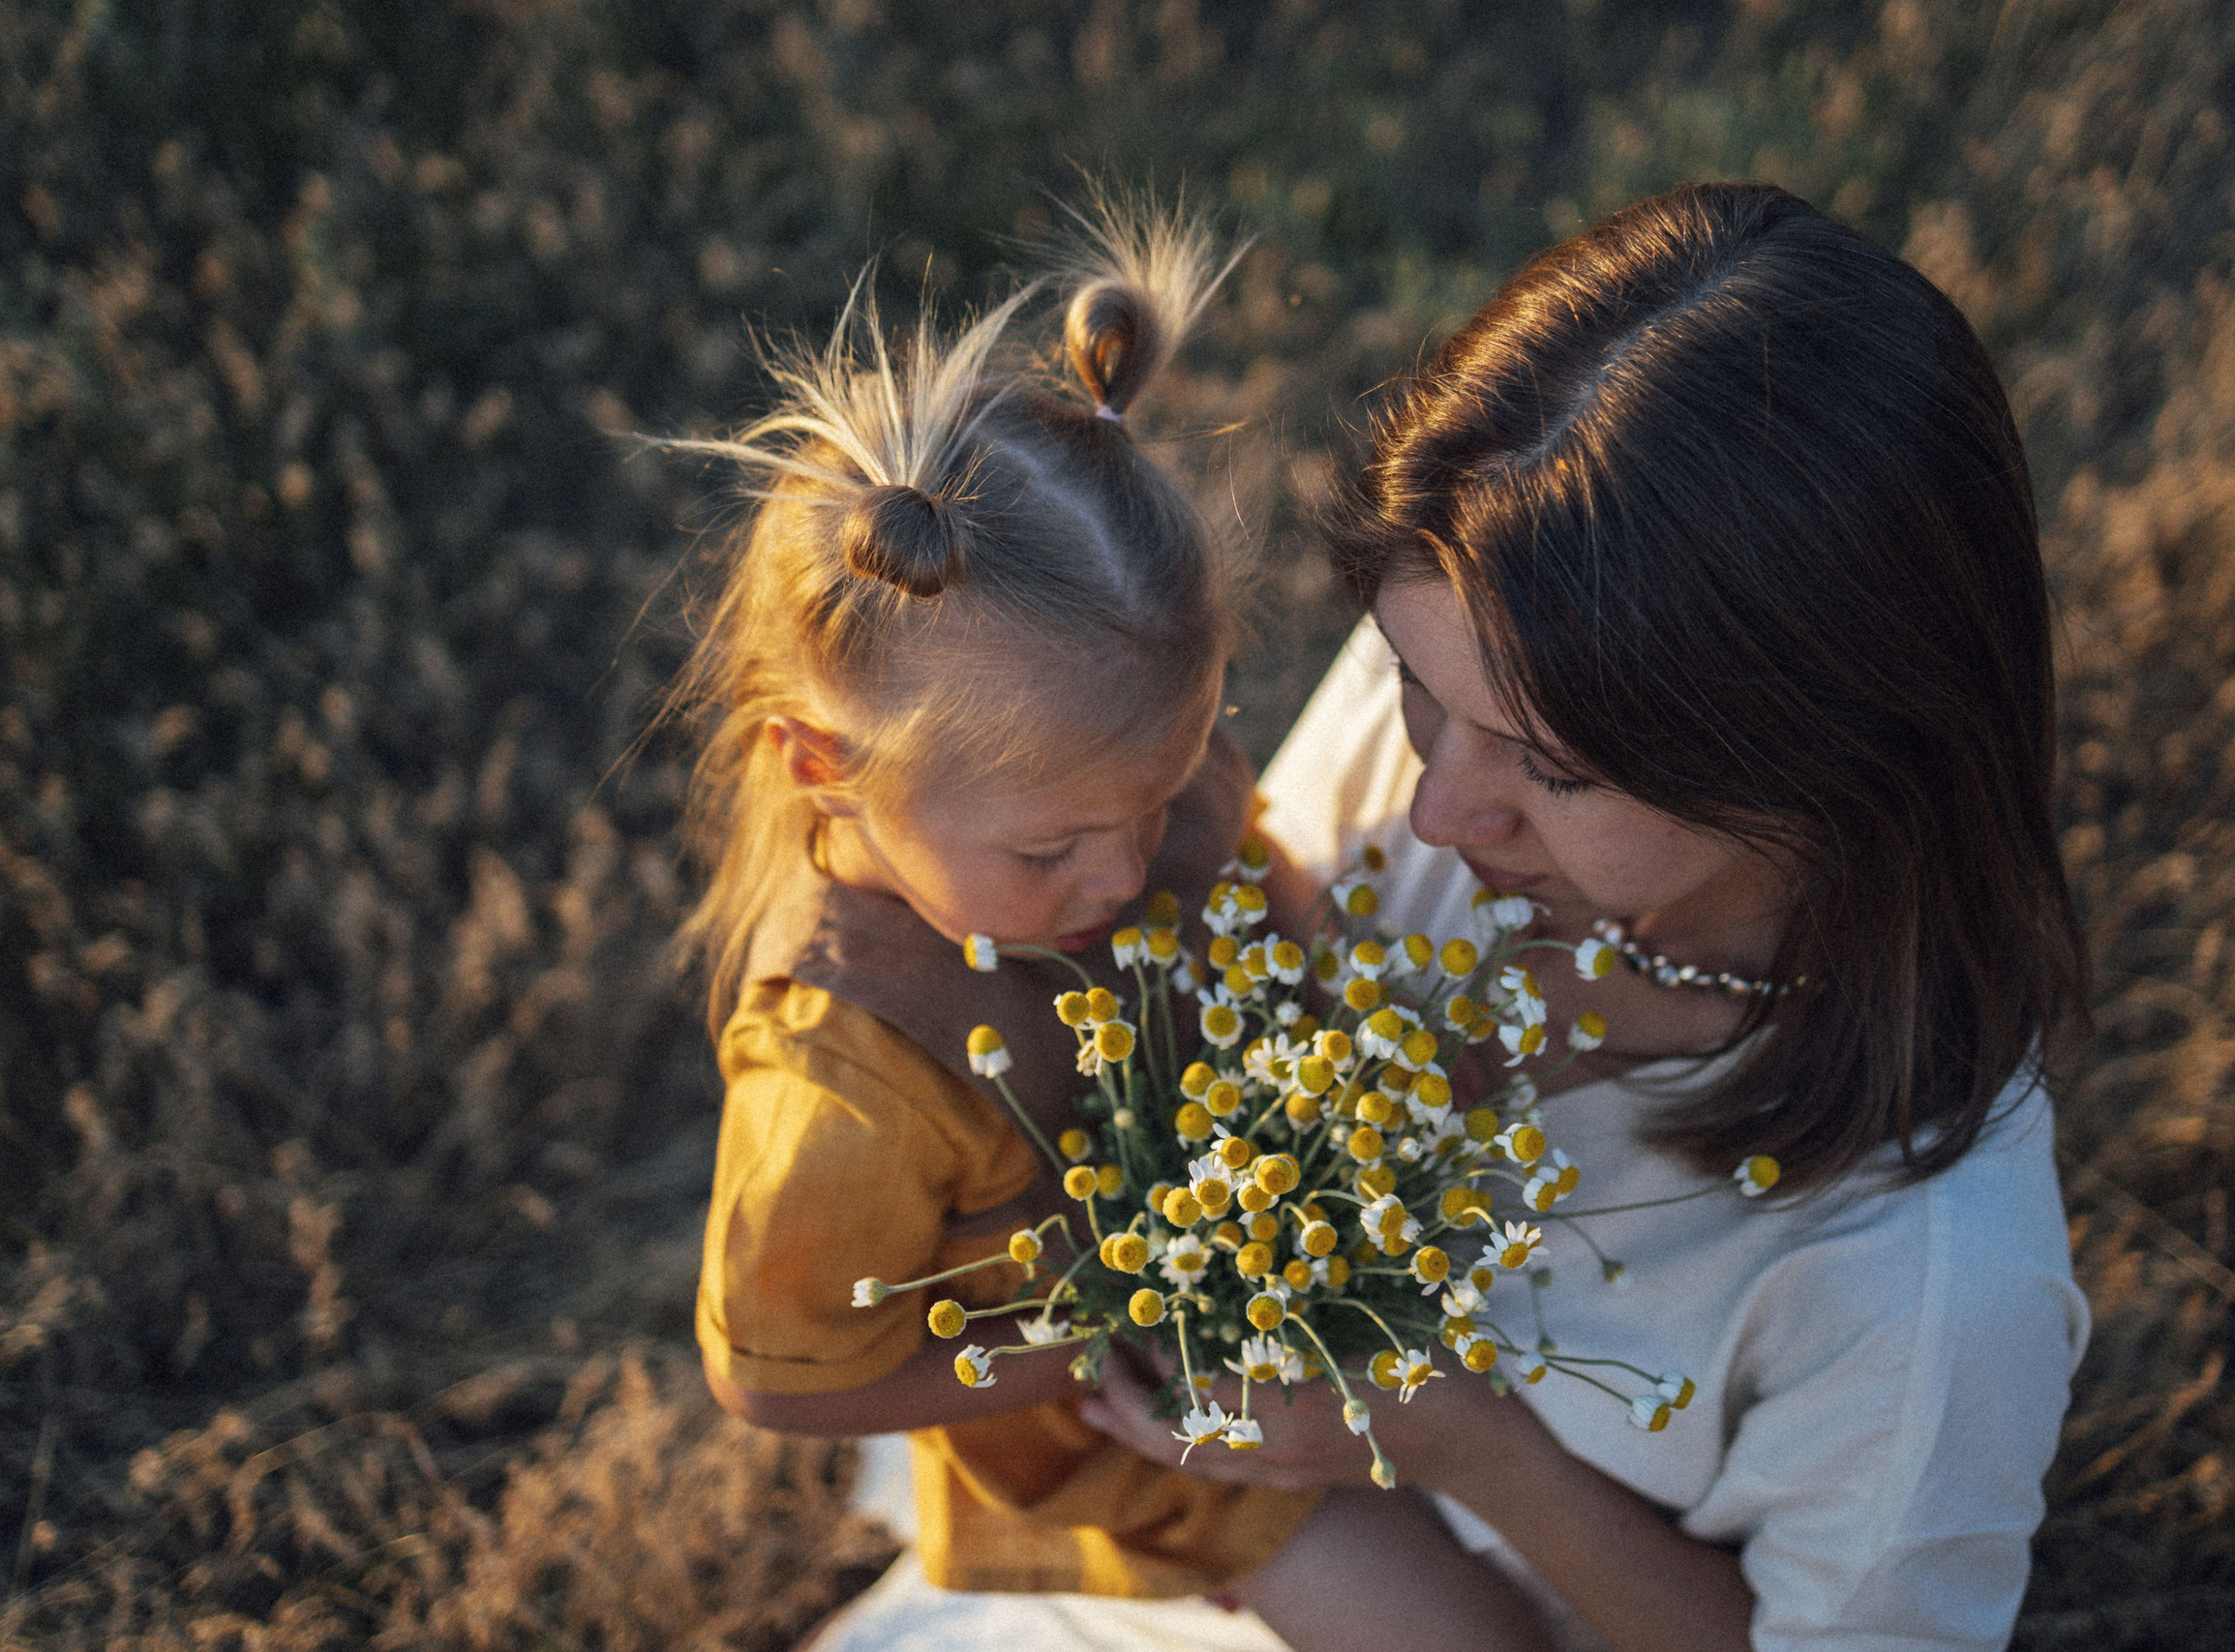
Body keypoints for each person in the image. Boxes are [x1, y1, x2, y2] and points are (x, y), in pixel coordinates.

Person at [1076, 182, 2092, 1652]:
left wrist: (1471, 1448)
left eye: (1553, 772)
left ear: (1835, 762)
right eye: (1415, 685)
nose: (1438, 814)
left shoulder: (1928, 1279)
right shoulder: (1489, 659)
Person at [672, 207, 1547, 1651]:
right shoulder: (848, 1076)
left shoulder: (1112, 773)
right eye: (1052, 852)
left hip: (1285, 1243)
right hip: (1137, 1425)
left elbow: (1254, 880)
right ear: (825, 766)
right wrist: (1104, 1338)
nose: (1123, 873)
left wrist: (1354, 1026)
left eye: (1161, 796)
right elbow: (774, 1378)